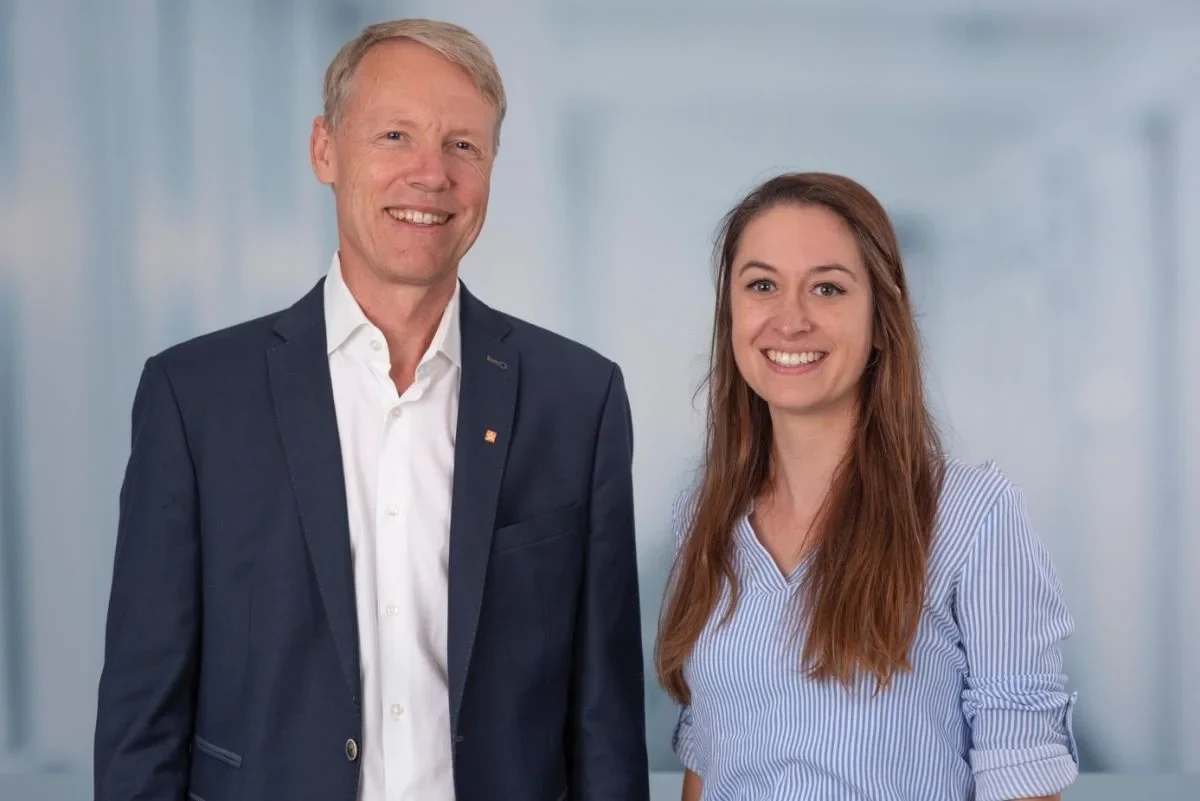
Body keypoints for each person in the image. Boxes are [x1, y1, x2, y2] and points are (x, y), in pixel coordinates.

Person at [94, 19, 649, 801]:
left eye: (464, 146)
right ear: (325, 149)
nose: (431, 174)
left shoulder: (577, 399)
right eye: (395, 135)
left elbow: (606, 722)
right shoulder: (196, 399)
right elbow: (139, 719)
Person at [655, 172, 1078, 801]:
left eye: (827, 288)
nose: (790, 319)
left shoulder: (972, 518)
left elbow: (1022, 768)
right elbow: (709, 753)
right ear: (732, 314)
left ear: (882, 318)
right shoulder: (704, 517)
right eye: (762, 285)